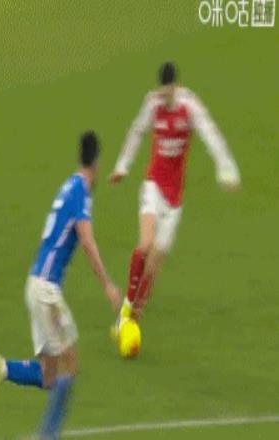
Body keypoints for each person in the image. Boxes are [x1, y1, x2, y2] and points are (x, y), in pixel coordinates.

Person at [0, 131, 122, 439]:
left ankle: (4, 368)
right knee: (70, 364)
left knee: (50, 377)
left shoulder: (68, 186)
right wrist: (108, 285)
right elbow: (87, 241)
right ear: (97, 163)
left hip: (36, 284)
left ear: (79, 158)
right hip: (46, 290)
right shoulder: (81, 193)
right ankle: (47, 435)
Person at [108, 62, 240, 324]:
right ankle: (128, 304)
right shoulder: (152, 103)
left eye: (169, 91)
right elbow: (136, 132)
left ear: (176, 87)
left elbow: (211, 134)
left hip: (175, 197)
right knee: (145, 244)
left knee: (155, 262)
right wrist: (122, 166)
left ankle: (135, 313)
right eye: (162, 91)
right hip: (153, 185)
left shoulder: (189, 106)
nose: (165, 96)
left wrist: (227, 170)